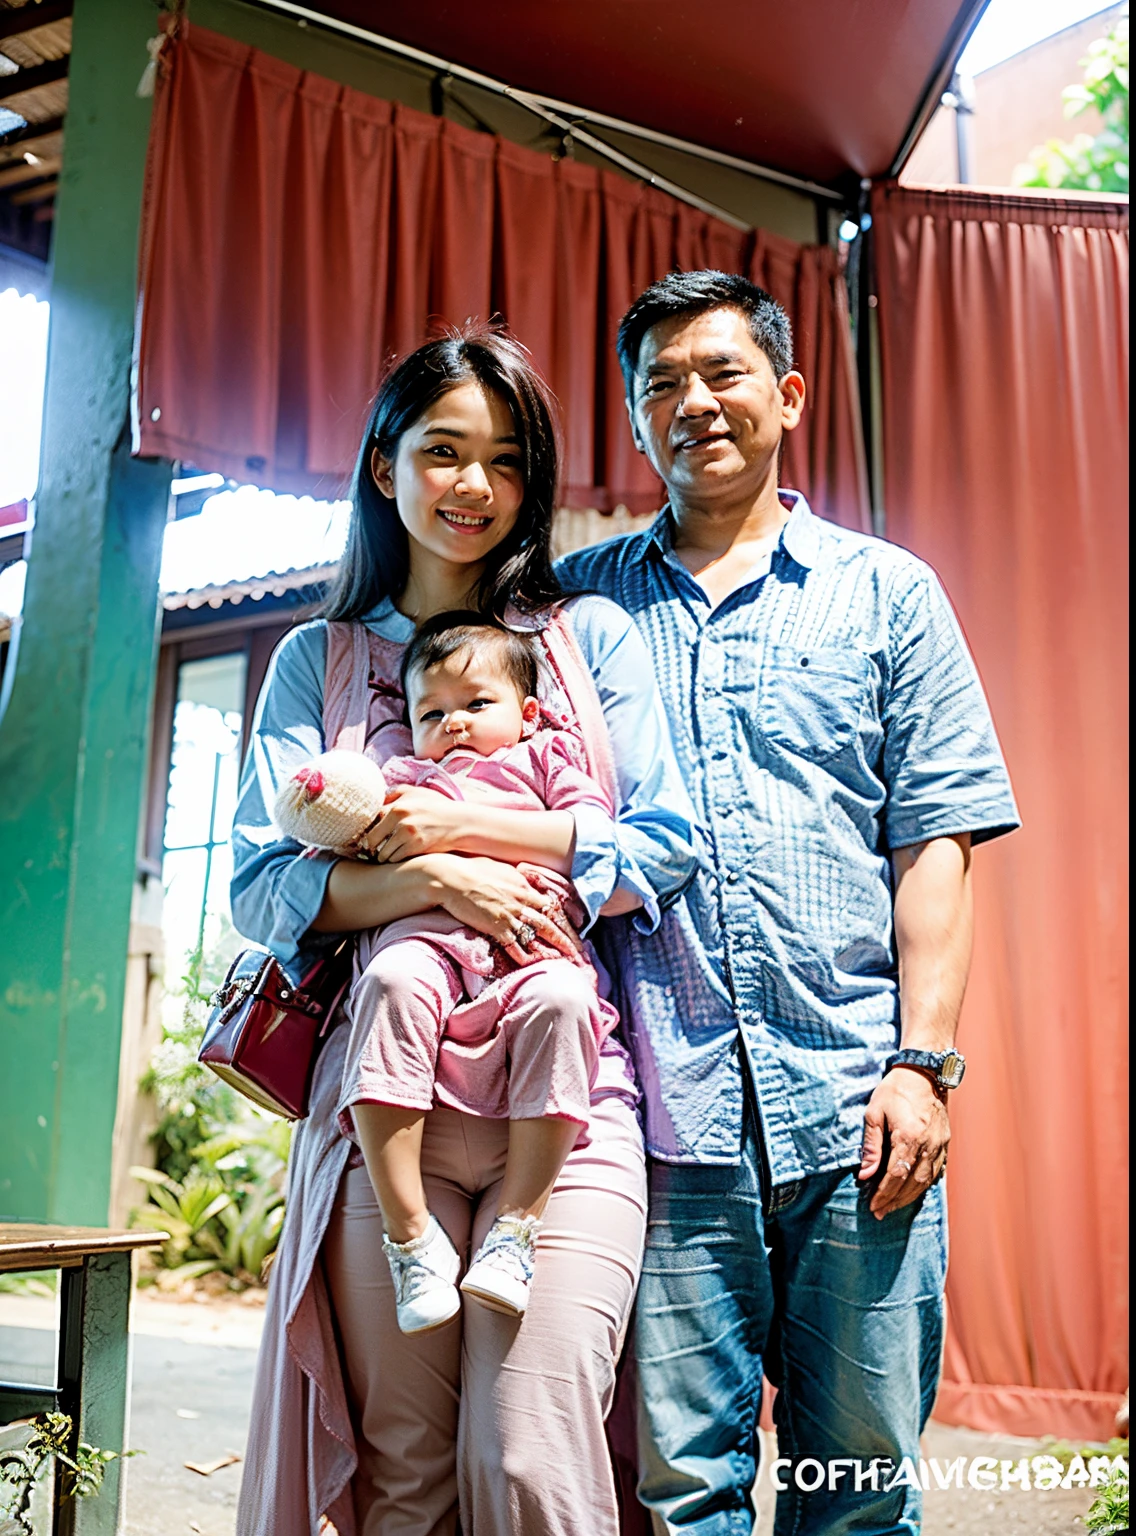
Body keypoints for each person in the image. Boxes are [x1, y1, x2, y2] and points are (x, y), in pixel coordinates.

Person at [558, 270, 1020, 1535]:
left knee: (857, 1487)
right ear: (636, 420)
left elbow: (934, 843)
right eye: (660, 385)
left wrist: (921, 1066)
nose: (692, 403)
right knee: (676, 1495)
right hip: (656, 1120)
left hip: (854, 1118)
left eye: (720, 373)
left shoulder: (887, 594)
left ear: (788, 393)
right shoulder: (576, 611)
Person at [230, 325, 697, 1536]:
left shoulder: (584, 646)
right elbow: (265, 888)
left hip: (566, 1092)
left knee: (531, 1449)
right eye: (442, 451)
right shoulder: (315, 660)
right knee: (403, 1475)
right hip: (385, 1105)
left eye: (503, 461)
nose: (473, 487)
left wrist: (454, 846)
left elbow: (661, 846)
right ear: (384, 462)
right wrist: (449, 888)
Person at [329, 612, 627, 1331]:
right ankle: (410, 1235)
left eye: (476, 704)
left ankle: (517, 1229)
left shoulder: (551, 759)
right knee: (389, 986)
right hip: (427, 944)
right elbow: (354, 830)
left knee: (563, 1001)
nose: (454, 723)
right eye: (432, 711)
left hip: (526, 949)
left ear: (527, 713)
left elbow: (596, 842)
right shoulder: (405, 775)